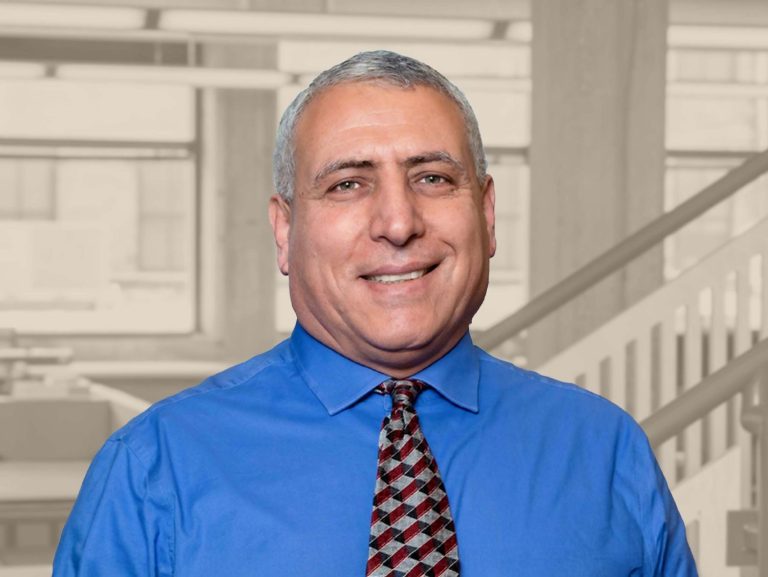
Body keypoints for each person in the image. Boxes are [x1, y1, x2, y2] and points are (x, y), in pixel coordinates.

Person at [53, 50, 697, 576]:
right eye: (348, 184)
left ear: (487, 214)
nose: (397, 222)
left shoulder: (604, 452)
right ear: (285, 230)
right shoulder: (155, 468)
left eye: (433, 178)